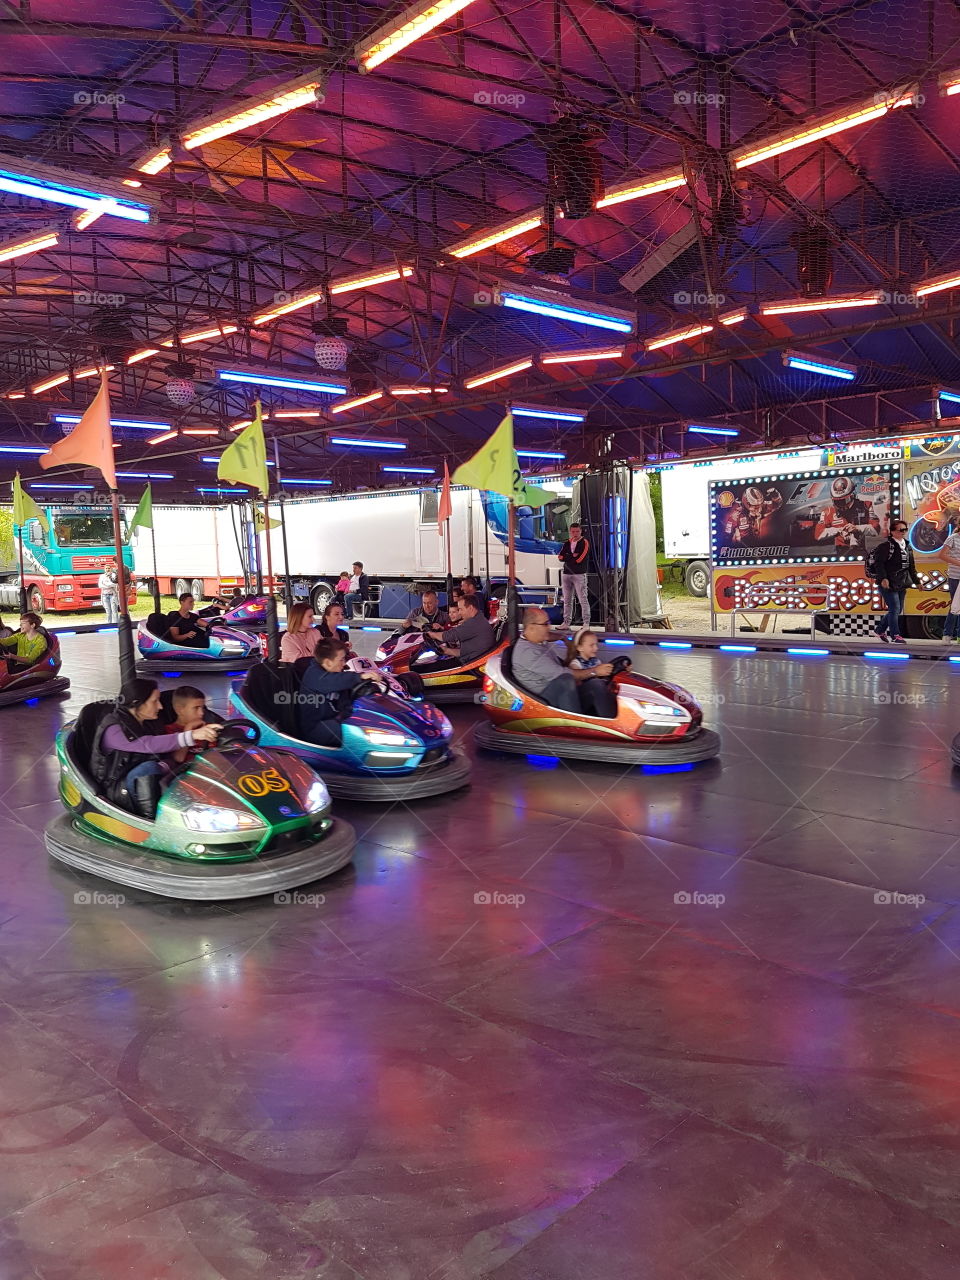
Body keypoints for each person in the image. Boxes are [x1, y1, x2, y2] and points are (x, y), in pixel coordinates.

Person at [90, 677, 220, 816]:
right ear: (137, 703)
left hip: (139, 779)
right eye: (154, 701)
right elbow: (148, 745)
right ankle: (150, 820)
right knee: (148, 769)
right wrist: (192, 735)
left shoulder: (148, 722)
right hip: (114, 788)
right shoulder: (114, 727)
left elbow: (167, 754)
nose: (161, 706)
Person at [298, 638, 378, 745]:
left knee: (370, 723)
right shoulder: (314, 675)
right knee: (360, 734)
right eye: (341, 660)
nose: (344, 663)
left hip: (335, 719)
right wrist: (361, 676)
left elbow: (345, 699)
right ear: (328, 662)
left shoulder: (335, 673)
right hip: (316, 728)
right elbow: (334, 681)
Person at [512, 608, 583, 712]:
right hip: (540, 702)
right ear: (531, 628)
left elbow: (549, 636)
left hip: (552, 690)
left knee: (595, 685)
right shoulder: (528, 652)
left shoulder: (535, 639)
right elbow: (562, 674)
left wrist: (563, 638)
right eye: (545, 624)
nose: (549, 627)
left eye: (549, 622)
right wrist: (594, 671)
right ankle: (576, 726)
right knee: (566, 680)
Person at [873, 519, 920, 644]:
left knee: (897, 610)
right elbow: (879, 564)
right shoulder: (886, 546)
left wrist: (917, 582)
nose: (903, 532)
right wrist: (883, 578)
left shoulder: (907, 545)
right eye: (901, 530)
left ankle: (879, 630)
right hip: (888, 582)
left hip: (902, 582)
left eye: (905, 530)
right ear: (892, 532)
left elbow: (911, 566)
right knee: (894, 608)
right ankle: (895, 635)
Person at [425, 594, 493, 665]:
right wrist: (447, 651)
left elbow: (449, 636)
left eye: (460, 609)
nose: (459, 612)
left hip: (472, 664)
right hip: (472, 659)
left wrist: (431, 634)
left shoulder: (474, 623)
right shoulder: (479, 618)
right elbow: (465, 652)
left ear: (470, 608)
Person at [815, 477, 879, 551]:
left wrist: (857, 528)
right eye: (837, 502)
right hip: (840, 552)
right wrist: (838, 531)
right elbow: (818, 534)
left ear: (852, 496)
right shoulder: (827, 512)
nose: (841, 505)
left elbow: (876, 529)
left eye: (844, 500)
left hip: (860, 550)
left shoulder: (866, 506)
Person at [565, 627, 618, 718]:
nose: (596, 648)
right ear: (580, 647)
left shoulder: (596, 661)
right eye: (592, 645)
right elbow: (577, 681)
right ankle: (609, 719)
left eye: (596, 645)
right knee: (596, 683)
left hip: (596, 696)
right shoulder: (575, 664)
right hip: (583, 700)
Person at [161, 685, 211, 763]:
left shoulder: (205, 727)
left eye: (202, 708)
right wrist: (188, 729)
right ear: (179, 710)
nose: (201, 713)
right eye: (196, 708)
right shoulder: (169, 731)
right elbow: (178, 758)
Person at [558, 522, 591, 629]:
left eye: (577, 531)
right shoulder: (567, 543)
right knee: (567, 600)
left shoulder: (584, 542)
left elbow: (579, 559)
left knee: (582, 599)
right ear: (570, 532)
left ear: (581, 531)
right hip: (566, 574)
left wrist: (568, 557)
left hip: (579, 574)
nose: (575, 533)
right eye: (573, 531)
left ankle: (586, 623)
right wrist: (571, 556)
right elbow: (560, 557)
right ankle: (566, 622)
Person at [941, 526, 960, 642]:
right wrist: (958, 563)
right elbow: (942, 555)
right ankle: (947, 634)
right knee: (955, 605)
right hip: (955, 576)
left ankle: (958, 636)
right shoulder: (952, 538)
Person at [98, 559, 119, 625]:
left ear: (111, 569)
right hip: (104, 595)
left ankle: (116, 624)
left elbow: (115, 584)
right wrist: (108, 585)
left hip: (112, 595)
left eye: (109, 568)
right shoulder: (102, 576)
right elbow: (100, 585)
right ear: (104, 569)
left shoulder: (114, 575)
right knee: (108, 611)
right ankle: (109, 624)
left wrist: (105, 584)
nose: (107, 569)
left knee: (114, 610)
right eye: (106, 568)